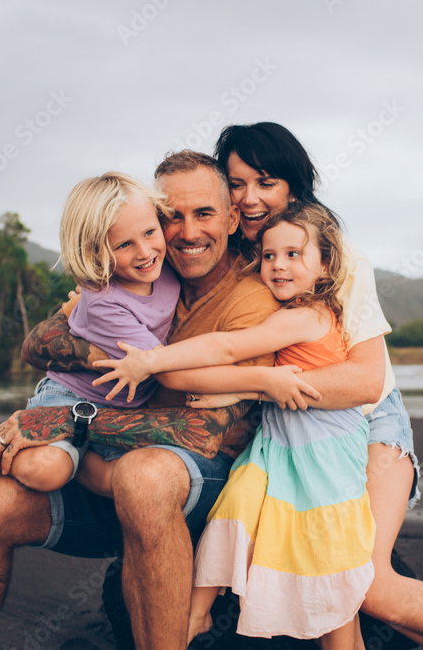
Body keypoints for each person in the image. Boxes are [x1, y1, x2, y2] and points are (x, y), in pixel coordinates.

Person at [0, 151, 322, 650]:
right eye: (171, 216)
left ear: (233, 217)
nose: (185, 231)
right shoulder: (139, 274)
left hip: (197, 477)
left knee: (143, 479)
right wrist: (61, 410)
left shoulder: (256, 299)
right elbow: (43, 340)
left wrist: (60, 424)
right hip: (108, 460)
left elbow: (209, 428)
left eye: (204, 214)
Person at [214, 122, 423, 649]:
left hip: (369, 421)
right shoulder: (239, 257)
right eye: (237, 183)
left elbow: (364, 381)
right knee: (330, 589)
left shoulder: (336, 258)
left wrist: (256, 383)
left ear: (292, 185)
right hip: (289, 438)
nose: (248, 198)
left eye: (265, 182)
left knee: (370, 586)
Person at [94, 204, 376, 648]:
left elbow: (228, 348)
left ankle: (197, 614)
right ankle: (197, 614)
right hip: (281, 443)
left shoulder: (305, 316)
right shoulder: (299, 312)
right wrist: (241, 392)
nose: (278, 265)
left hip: (320, 448)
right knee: (237, 508)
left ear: (325, 265)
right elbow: (276, 381)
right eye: (268, 255)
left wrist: (151, 360)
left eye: (294, 255)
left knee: (326, 565)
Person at [0, 172, 181, 509]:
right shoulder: (104, 301)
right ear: (97, 253)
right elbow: (165, 363)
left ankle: (77, 458)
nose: (145, 251)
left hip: (117, 410)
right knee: (47, 471)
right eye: (124, 244)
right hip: (69, 399)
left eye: (150, 232)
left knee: (120, 483)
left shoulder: (168, 269)